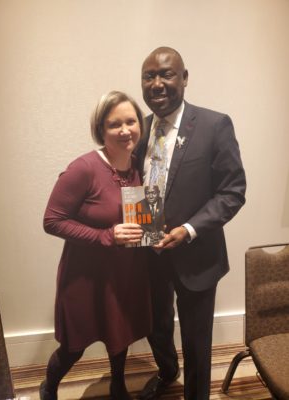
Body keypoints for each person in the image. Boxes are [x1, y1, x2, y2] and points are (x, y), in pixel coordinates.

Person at [135, 47, 246, 400]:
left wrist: (190, 230)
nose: (157, 84)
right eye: (148, 76)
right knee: (157, 327)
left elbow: (232, 191)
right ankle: (168, 372)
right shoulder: (140, 128)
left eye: (166, 74)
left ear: (184, 78)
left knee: (197, 341)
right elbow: (133, 184)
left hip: (197, 255)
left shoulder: (215, 125)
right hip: (150, 253)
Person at [41, 91, 151, 400]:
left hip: (124, 274)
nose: (125, 130)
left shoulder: (137, 168)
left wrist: (155, 234)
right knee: (74, 346)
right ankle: (48, 388)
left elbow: (139, 220)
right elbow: (52, 221)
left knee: (120, 336)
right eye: (115, 124)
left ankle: (118, 386)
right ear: (101, 129)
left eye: (131, 121)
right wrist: (106, 236)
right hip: (85, 278)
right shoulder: (83, 168)